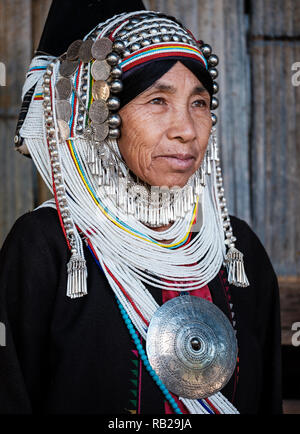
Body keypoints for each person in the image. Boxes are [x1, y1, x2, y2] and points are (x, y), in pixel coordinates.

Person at [0, 1, 282, 414]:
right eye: (157, 101)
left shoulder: (237, 251)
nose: (186, 130)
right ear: (102, 120)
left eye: (199, 103)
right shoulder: (48, 247)